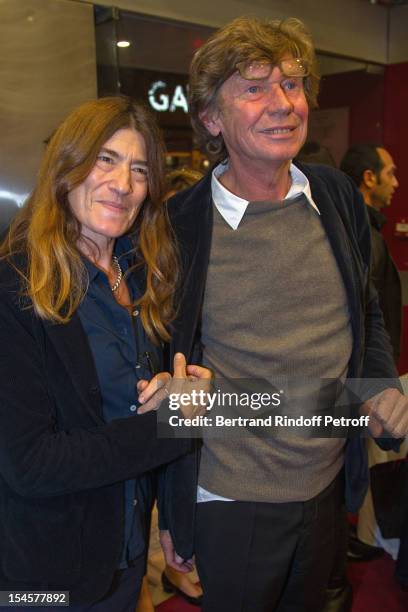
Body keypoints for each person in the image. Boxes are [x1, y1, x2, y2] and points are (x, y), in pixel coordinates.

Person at [138, 16, 408, 612]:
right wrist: (171, 509)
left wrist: (378, 388)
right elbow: (161, 372)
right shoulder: (179, 225)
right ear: (212, 118)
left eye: (291, 83)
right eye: (254, 88)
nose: (283, 103)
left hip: (329, 484)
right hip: (234, 498)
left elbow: (367, 314)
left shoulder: (334, 196)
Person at [0, 95, 211, 611]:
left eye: (139, 169)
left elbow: (152, 406)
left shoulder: (144, 275)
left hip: (125, 554)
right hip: (43, 579)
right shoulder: (16, 287)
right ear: (68, 167)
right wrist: (174, 427)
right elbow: (29, 463)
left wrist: (187, 393)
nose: (123, 185)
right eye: (106, 159)